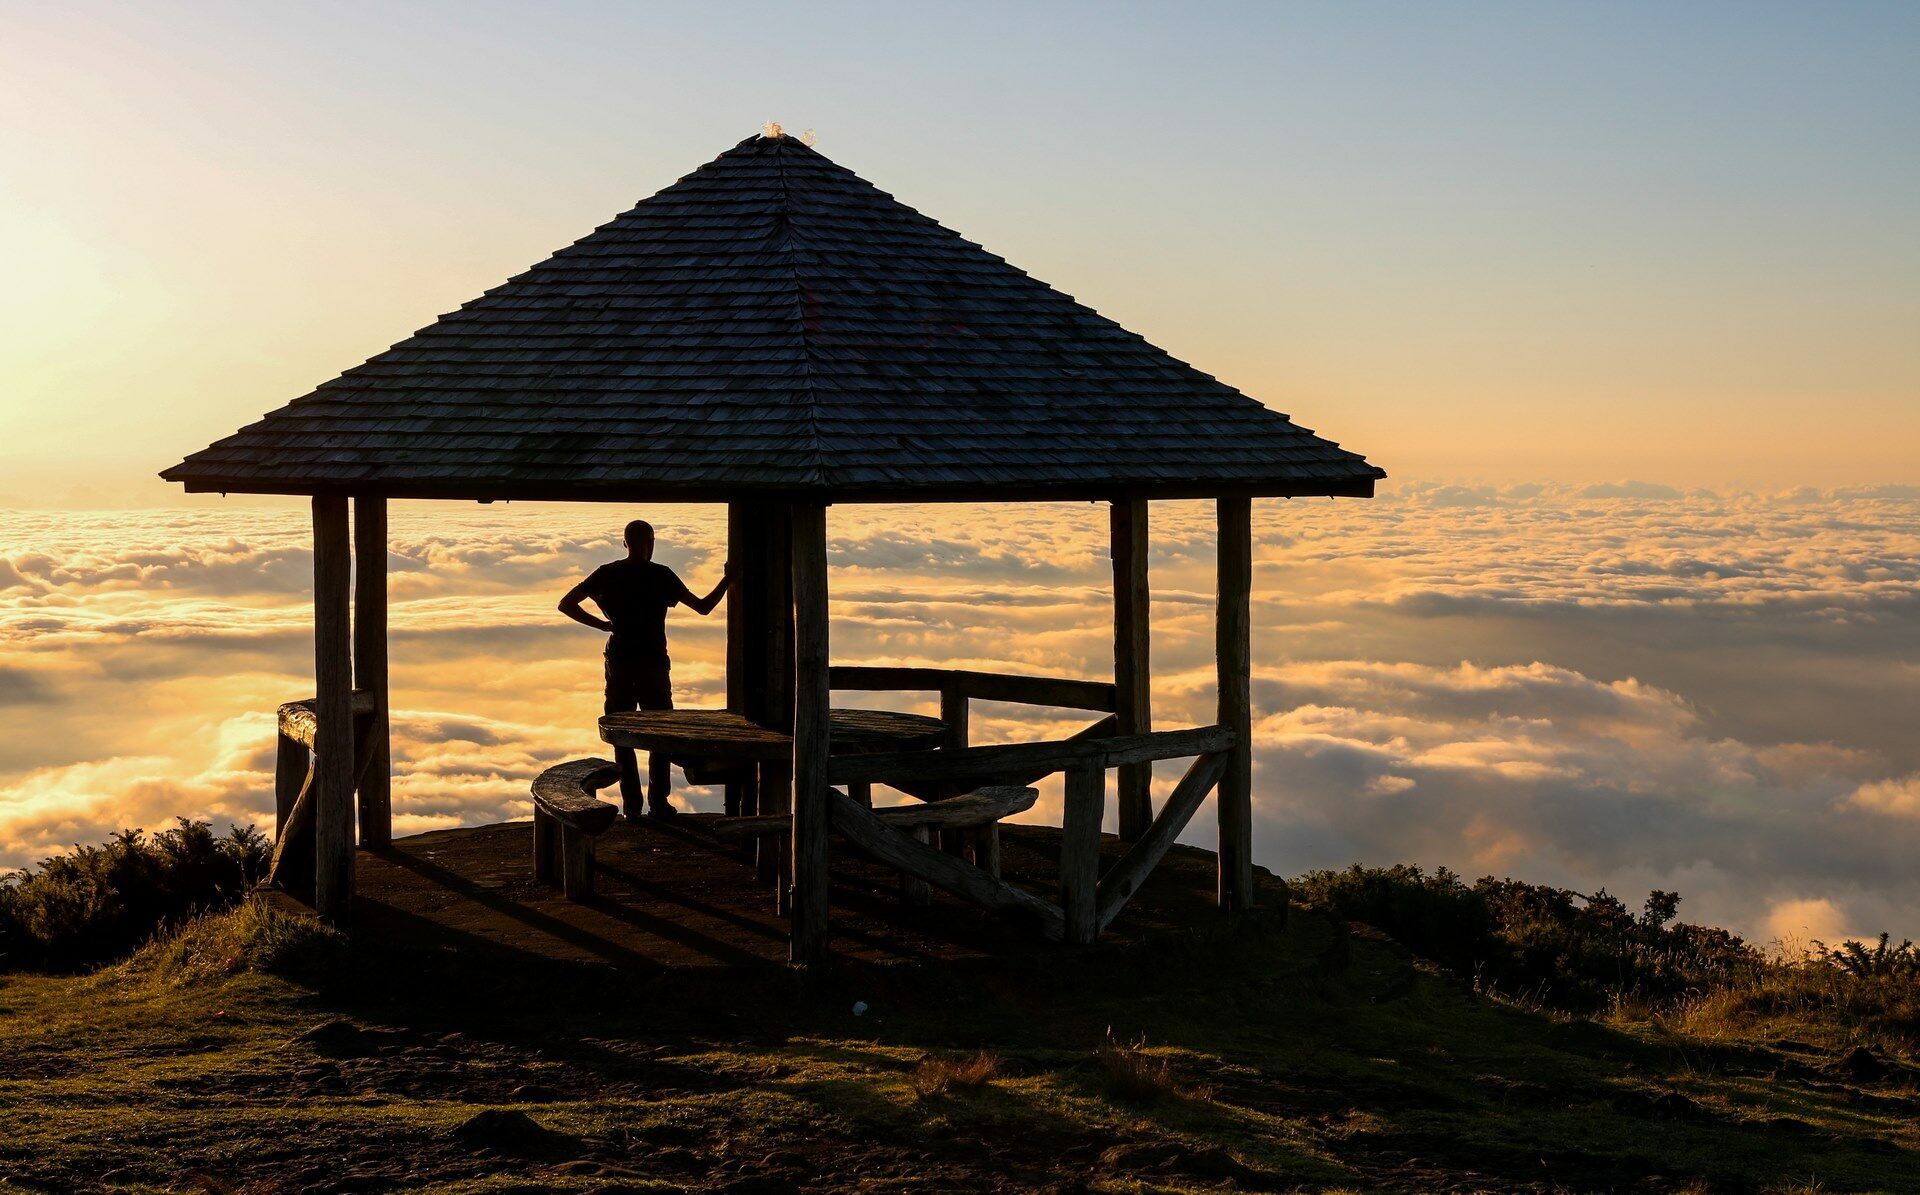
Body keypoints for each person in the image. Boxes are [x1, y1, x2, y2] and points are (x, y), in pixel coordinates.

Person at [559, 520, 730, 817]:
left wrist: (604, 625)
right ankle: (659, 803)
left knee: (622, 733)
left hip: (620, 659)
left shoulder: (607, 574)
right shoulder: (660, 575)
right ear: (651, 542)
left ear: (625, 543)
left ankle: (633, 807)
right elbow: (703, 607)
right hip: (652, 661)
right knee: (660, 732)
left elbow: (566, 604)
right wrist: (728, 580)